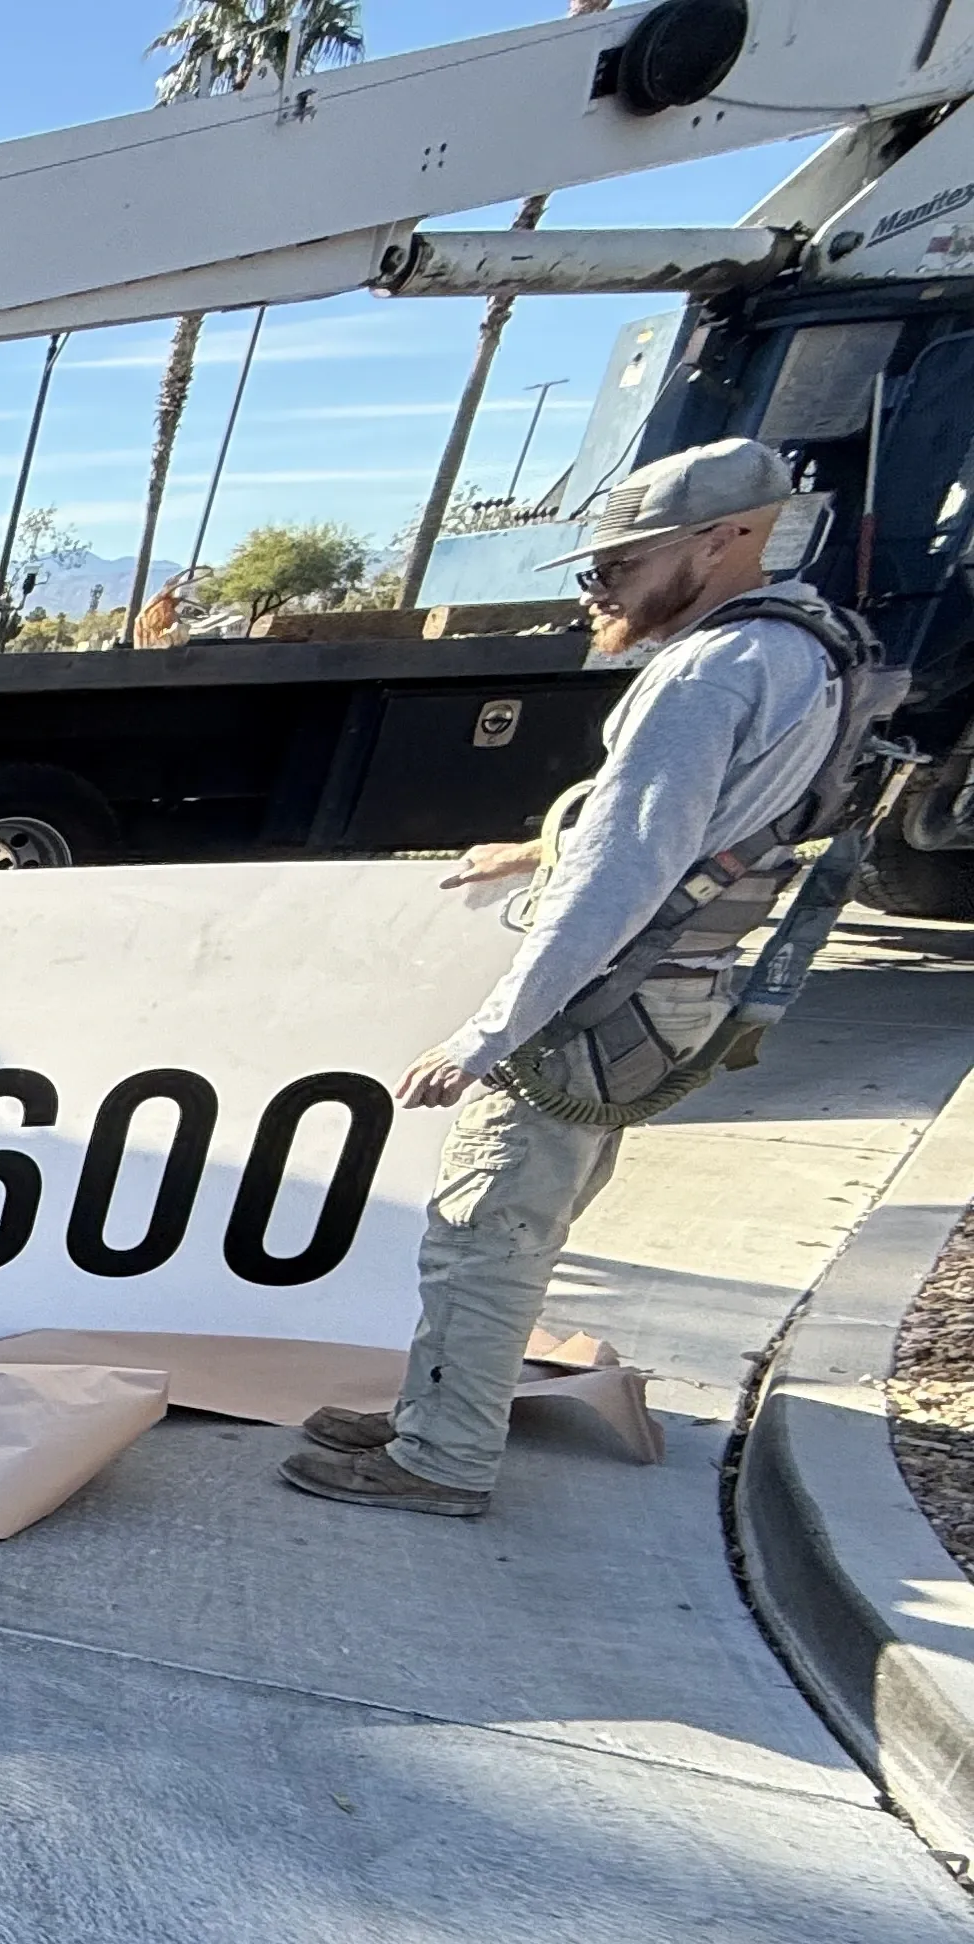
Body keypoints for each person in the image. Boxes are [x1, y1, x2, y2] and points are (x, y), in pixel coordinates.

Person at [285, 440, 854, 1518]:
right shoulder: (799, 651)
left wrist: (484, 1037)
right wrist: (534, 848)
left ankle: (441, 1459)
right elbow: (708, 835)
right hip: (671, 987)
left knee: (483, 1229)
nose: (603, 591)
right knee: (526, 1224)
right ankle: (443, 1409)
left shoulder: (707, 673)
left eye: (618, 568)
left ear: (725, 539)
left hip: (604, 995)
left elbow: (625, 873)